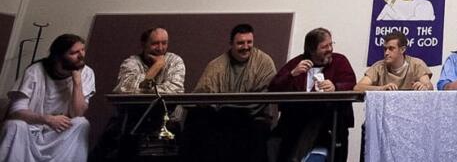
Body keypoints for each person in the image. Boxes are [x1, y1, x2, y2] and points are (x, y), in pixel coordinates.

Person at [183, 23, 277, 162]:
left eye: (249, 42)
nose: (245, 47)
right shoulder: (217, 65)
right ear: (231, 44)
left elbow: (260, 100)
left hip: (254, 117)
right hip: (223, 117)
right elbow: (202, 96)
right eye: (240, 43)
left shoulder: (264, 62)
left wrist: (228, 106)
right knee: (196, 118)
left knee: (252, 130)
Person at [91, 26, 185, 161]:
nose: (160, 48)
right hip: (133, 117)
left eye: (164, 43)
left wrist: (143, 88)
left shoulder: (174, 61)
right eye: (155, 43)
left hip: (165, 116)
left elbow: (175, 90)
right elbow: (124, 90)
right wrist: (156, 66)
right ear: (143, 44)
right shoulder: (130, 63)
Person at [0, 33, 93, 162]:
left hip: (58, 133)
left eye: (82, 50)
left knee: (82, 123)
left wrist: (77, 82)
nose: (81, 56)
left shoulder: (86, 72)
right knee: (14, 125)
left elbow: (77, 113)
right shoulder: (35, 71)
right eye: (74, 53)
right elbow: (15, 112)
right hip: (31, 130)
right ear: (58, 57)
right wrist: (47, 119)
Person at [270, 27, 357, 162]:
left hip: (330, 124)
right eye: (324, 47)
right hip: (297, 123)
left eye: (330, 44)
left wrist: (336, 87)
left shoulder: (340, 61)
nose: (330, 49)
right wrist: (292, 74)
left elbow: (351, 83)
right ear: (311, 50)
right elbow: (273, 88)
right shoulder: (297, 63)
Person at [355, 31, 433, 92]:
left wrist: (424, 86)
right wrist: (382, 89)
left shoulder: (416, 64)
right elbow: (358, 88)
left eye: (391, 48)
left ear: (402, 49)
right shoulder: (379, 66)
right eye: (385, 49)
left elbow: (429, 86)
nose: (386, 53)